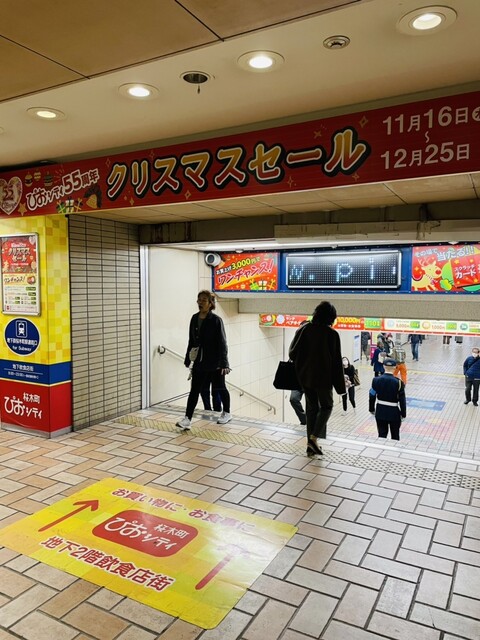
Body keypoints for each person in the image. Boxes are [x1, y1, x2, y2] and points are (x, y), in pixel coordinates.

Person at [289, 301, 345, 457]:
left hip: (305, 377)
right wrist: (341, 387)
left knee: (311, 409)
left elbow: (292, 353)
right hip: (323, 379)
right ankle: (313, 438)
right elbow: (336, 363)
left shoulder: (304, 329)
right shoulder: (332, 334)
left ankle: (310, 447)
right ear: (331, 318)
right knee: (327, 406)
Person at [176, 290, 232, 430]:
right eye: (199, 299)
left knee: (220, 388)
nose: (200, 302)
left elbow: (222, 343)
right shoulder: (194, 318)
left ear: (210, 303)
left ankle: (227, 412)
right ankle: (187, 419)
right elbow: (191, 340)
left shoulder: (216, 320)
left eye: (204, 300)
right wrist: (188, 358)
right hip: (199, 362)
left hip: (215, 362)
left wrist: (224, 363)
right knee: (194, 390)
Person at [369, 357, 407, 440]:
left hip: (380, 410)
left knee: (381, 435)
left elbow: (372, 395)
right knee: (395, 436)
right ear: (395, 368)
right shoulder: (399, 382)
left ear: (383, 366)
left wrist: (371, 409)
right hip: (394, 412)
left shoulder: (376, 380)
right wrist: (403, 414)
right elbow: (402, 400)